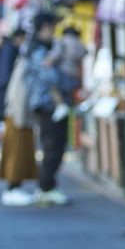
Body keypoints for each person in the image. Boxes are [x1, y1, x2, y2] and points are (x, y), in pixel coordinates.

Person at [30, 22, 85, 207]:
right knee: (52, 147)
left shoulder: (51, 47)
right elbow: (48, 76)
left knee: (56, 147)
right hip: (49, 106)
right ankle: (45, 188)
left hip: (54, 105)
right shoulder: (39, 50)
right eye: (50, 29)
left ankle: (48, 186)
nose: (52, 32)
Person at [0, 29, 40, 206]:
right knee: (17, 154)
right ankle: (13, 188)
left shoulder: (20, 60)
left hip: (16, 114)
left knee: (18, 154)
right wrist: (21, 116)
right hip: (18, 116)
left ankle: (15, 188)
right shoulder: (24, 63)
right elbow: (19, 91)